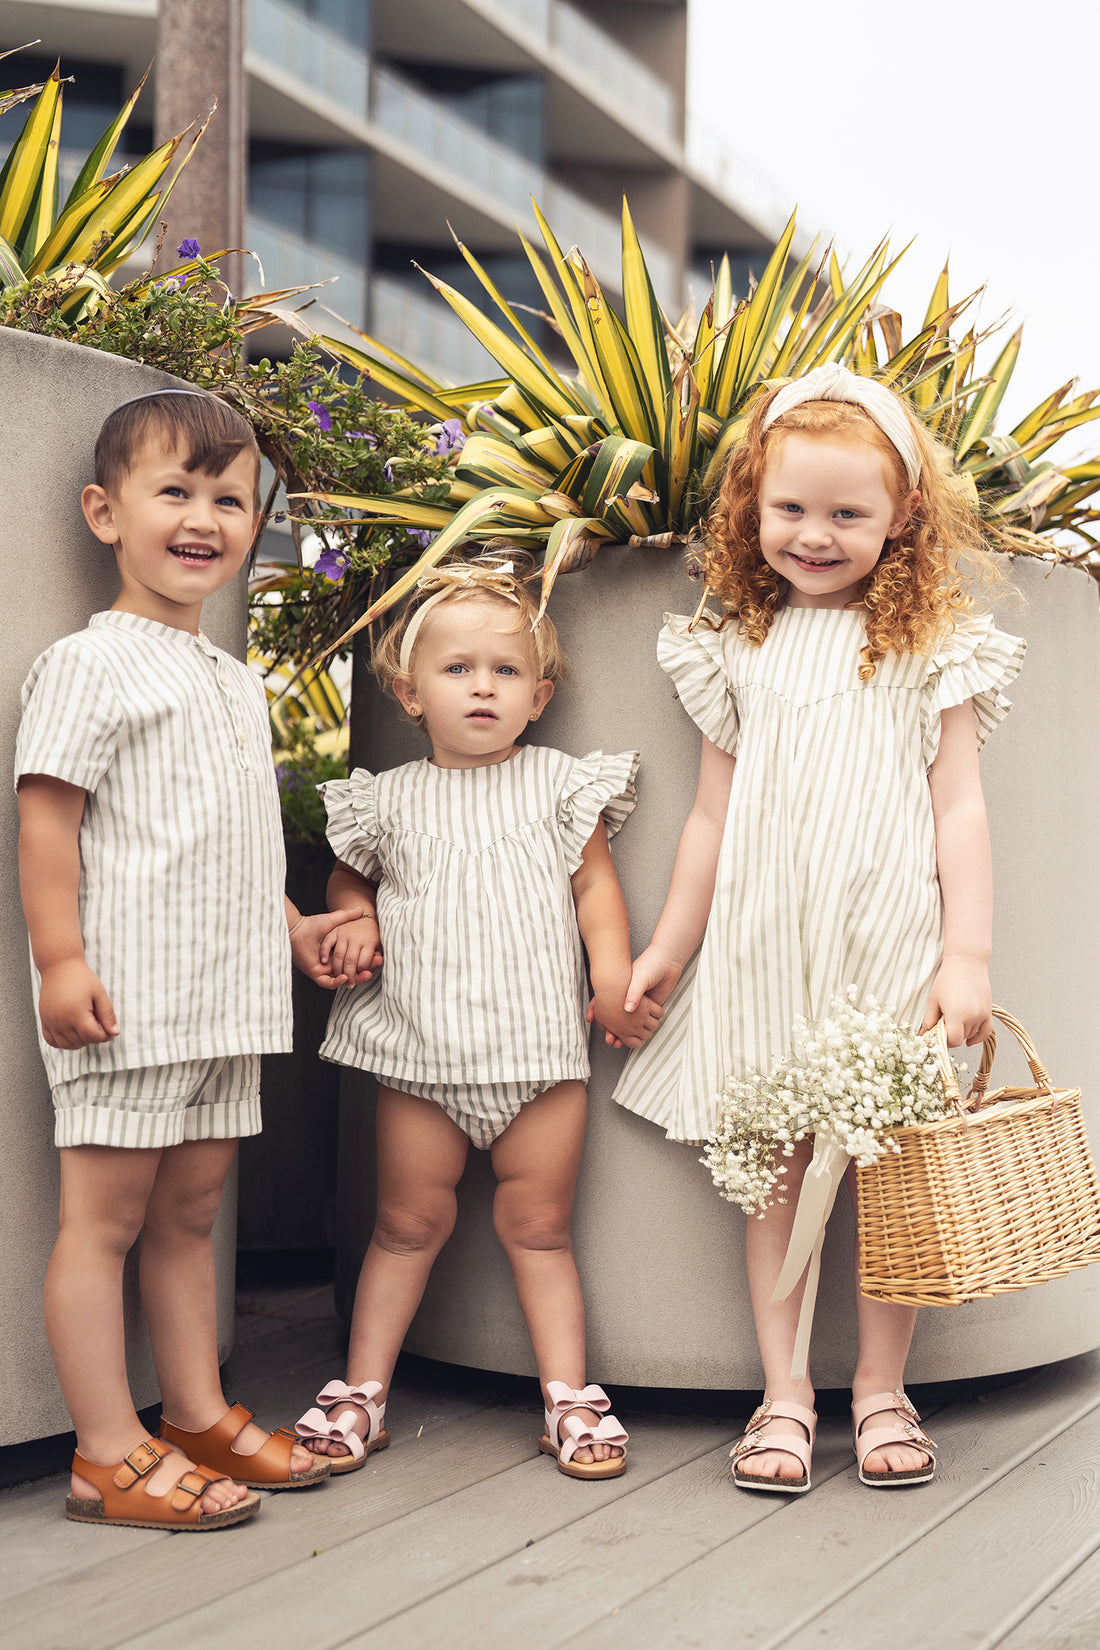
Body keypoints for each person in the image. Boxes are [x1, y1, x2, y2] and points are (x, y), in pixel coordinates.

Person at [613, 364, 1025, 1492]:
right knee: (779, 1175)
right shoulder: (734, 644)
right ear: (753, 503)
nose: (815, 533)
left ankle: (881, 1391)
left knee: (886, 1176)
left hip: (885, 954)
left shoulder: (925, 648)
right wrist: (665, 948)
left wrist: (965, 956)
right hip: (762, 951)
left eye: (848, 512)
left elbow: (958, 808)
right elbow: (708, 816)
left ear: (900, 521)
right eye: (791, 507)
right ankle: (783, 1393)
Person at [16, 389, 363, 1529]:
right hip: (131, 996)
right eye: (176, 491)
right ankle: (104, 1452)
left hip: (227, 997)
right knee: (104, 1222)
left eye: (229, 497)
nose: (205, 517)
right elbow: (48, 822)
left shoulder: (229, 679)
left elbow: (228, 838)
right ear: (104, 512)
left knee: (191, 1218)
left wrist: (293, 923)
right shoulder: (88, 663)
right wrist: (61, 962)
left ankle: (195, 1412)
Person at [294, 558, 662, 1479]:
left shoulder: (557, 786)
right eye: (457, 670)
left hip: (538, 1054)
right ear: (409, 692)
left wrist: (611, 977)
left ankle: (567, 1398)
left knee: (539, 1230)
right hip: (421, 1058)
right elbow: (349, 880)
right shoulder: (388, 798)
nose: (482, 687)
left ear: (538, 697)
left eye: (504, 672)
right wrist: (358, 915)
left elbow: (596, 895)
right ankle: (364, 1394)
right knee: (403, 1226)